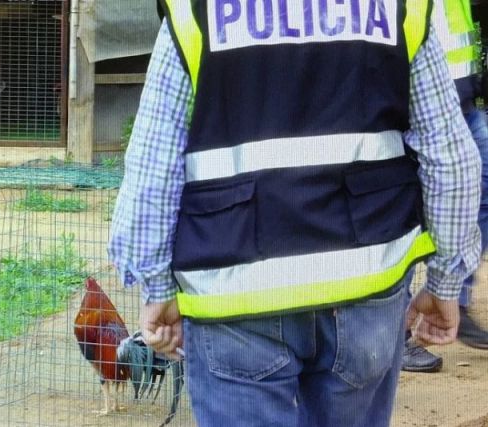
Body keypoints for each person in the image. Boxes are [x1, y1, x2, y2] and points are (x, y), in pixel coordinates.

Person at [108, 1, 481, 425]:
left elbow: (152, 165)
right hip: (365, 286)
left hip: (235, 291)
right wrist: (446, 281)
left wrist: (157, 288)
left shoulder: (197, 10)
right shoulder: (399, 8)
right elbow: (450, 156)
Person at [402, 0, 488, 373]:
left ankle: (454, 295)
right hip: (411, 96)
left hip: (462, 95)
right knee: (400, 211)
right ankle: (396, 330)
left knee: (477, 195)